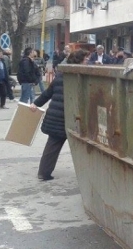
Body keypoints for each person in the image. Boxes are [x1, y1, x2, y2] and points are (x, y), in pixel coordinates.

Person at [30, 49, 90, 181]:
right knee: (82, 147)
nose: (88, 62)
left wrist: (36, 104)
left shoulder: (62, 74)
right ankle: (87, 175)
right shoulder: (79, 76)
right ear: (78, 61)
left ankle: (44, 173)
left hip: (55, 116)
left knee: (53, 145)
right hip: (66, 118)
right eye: (86, 59)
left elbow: (48, 93)